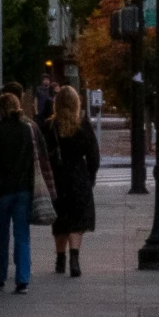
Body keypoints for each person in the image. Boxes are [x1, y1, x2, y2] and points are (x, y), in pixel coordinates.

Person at [0, 91, 44, 293]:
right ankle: (22, 277)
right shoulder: (27, 130)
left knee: (0, 232)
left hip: (0, 189)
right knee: (22, 233)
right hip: (23, 188)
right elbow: (38, 155)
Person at [46, 84, 101, 276]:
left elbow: (44, 155)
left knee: (60, 219)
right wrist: (91, 175)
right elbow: (93, 154)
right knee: (77, 221)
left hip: (57, 178)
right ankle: (74, 259)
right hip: (78, 177)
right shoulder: (82, 125)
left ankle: (60, 260)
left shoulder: (50, 126)